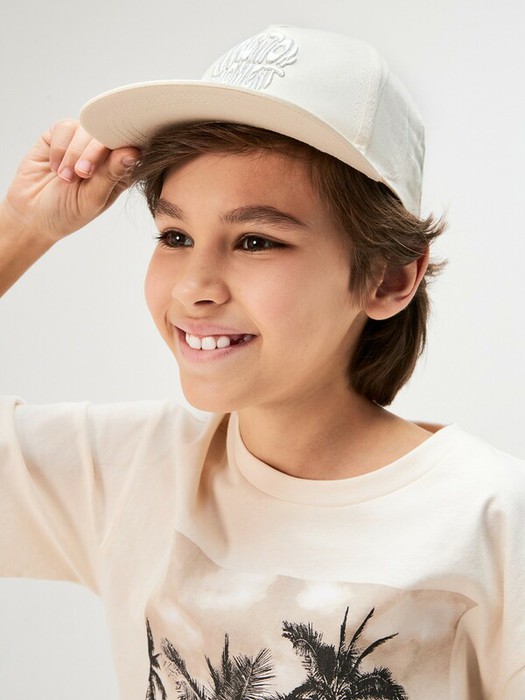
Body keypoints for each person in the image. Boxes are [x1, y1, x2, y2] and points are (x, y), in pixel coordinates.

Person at [1, 25, 524, 700]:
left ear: (389, 277)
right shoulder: (128, 472)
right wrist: (23, 226)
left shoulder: (491, 519)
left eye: (254, 241)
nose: (195, 286)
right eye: (175, 236)